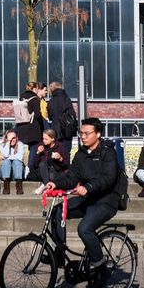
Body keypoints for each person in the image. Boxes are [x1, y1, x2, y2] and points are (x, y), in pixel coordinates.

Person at [41, 117, 119, 272]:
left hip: (106, 201)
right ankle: (59, 256)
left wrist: (88, 187)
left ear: (98, 134)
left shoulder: (108, 153)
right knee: (57, 211)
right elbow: (71, 177)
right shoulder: (80, 154)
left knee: (84, 229)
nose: (83, 136)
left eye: (87, 133)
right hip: (88, 199)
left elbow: (108, 179)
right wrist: (55, 183)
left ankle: (100, 265)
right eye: (81, 133)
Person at [14, 81, 47, 150]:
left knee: (21, 148)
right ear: (34, 89)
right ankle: (31, 161)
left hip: (21, 125)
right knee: (34, 147)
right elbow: (38, 115)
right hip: (33, 128)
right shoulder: (35, 99)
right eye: (37, 89)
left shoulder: (21, 98)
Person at [46, 81, 77, 152]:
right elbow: (72, 114)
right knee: (66, 152)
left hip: (56, 130)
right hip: (67, 129)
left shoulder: (51, 101)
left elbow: (50, 116)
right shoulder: (66, 98)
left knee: (56, 151)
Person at [0, 130, 26, 194]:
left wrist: (6, 157)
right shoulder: (2, 145)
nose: (12, 140)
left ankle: (19, 186)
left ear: (16, 138)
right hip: (4, 173)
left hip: (17, 172)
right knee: (6, 162)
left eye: (13, 138)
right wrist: (8, 143)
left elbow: (20, 157)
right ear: (6, 138)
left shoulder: (20, 144)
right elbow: (6, 154)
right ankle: (6, 186)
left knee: (17, 162)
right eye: (9, 138)